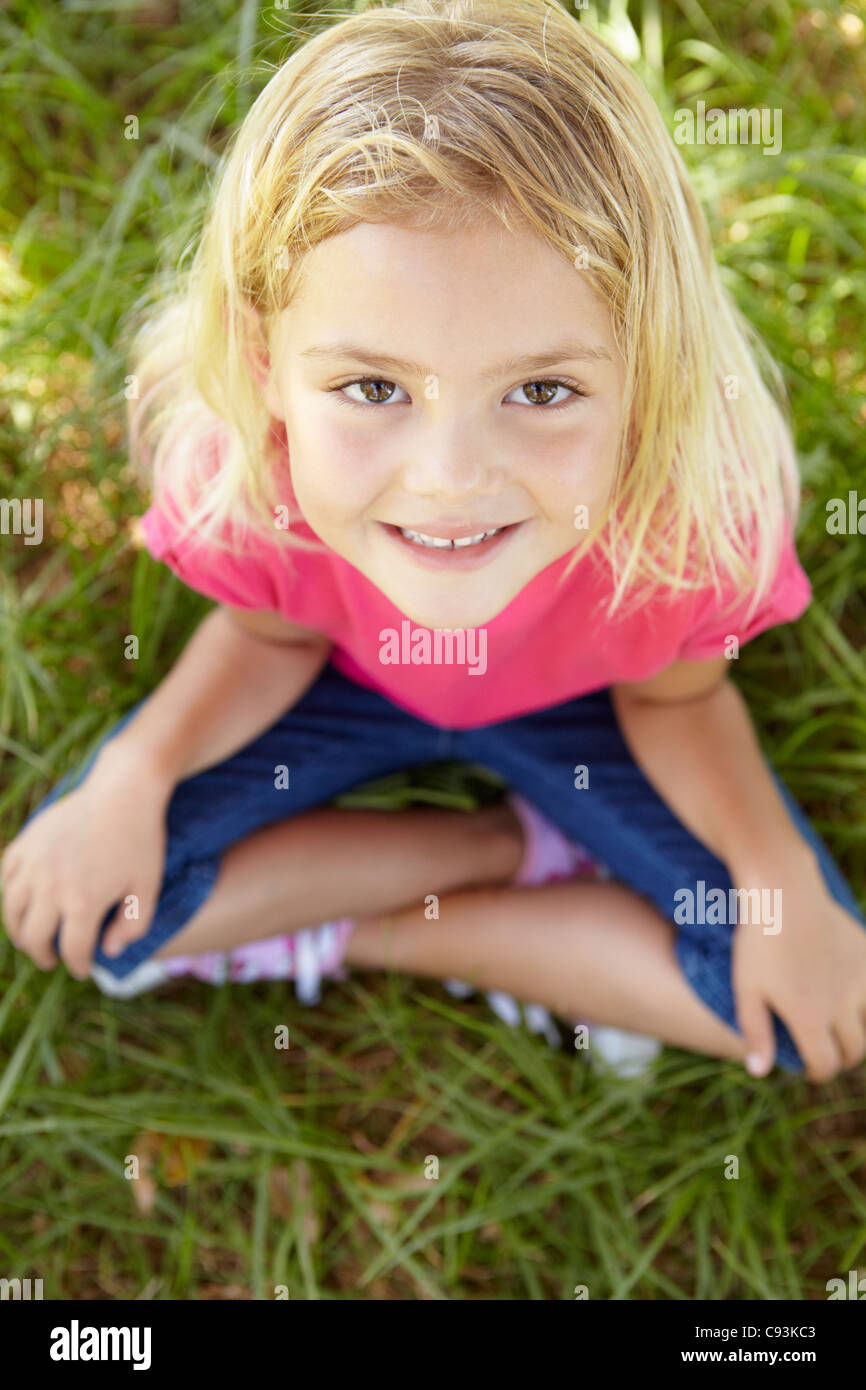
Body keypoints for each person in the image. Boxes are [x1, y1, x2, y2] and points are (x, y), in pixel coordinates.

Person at [3, 0, 865, 1084]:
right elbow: (270, 642)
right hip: (348, 687)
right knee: (105, 911)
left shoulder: (685, 515)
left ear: (644, 370)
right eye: (372, 387)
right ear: (269, 365)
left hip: (583, 718)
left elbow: (673, 700)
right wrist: (136, 773)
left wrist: (770, 874)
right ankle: (513, 850)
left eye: (542, 389)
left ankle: (354, 934)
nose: (449, 479)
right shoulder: (255, 473)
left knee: (802, 1010)